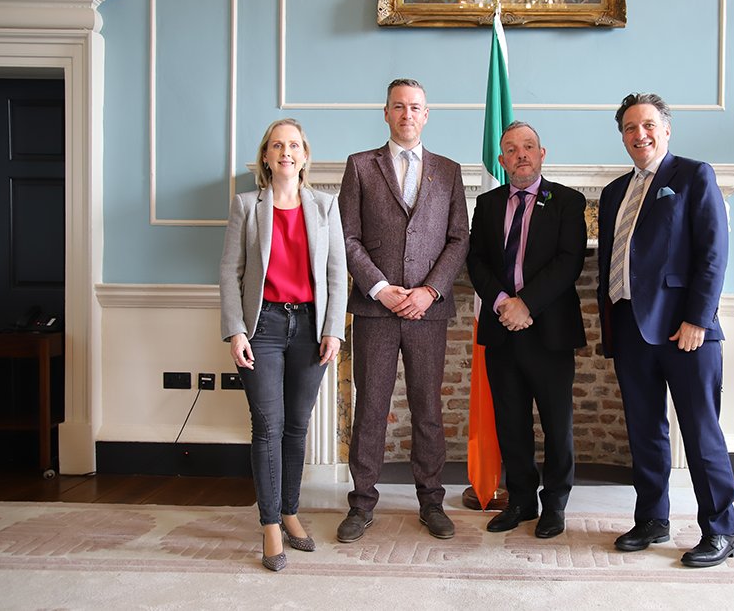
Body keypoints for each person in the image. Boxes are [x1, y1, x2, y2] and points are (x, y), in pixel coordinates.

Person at [597, 93, 734, 567]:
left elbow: (713, 253)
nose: (640, 134)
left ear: (666, 128)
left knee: (701, 434)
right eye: (630, 128)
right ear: (622, 136)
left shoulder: (694, 175)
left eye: (648, 125)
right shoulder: (616, 191)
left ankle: (721, 530)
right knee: (645, 431)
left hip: (686, 331)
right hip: (630, 326)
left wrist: (698, 318)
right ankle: (652, 519)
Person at [337, 78, 470, 543]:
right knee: (371, 408)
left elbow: (458, 239)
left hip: (427, 312)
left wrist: (429, 291)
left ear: (427, 114)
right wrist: (379, 288)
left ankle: (432, 502)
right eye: (399, 106)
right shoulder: (359, 167)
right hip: (376, 310)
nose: (407, 114)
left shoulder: (448, 171)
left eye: (416, 107)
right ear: (386, 113)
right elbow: (347, 238)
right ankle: (361, 504)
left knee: (427, 409)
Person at [219, 118, 348, 572]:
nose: (286, 152)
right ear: (266, 157)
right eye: (277, 145)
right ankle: (270, 523)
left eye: (293, 145)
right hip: (264, 328)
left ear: (305, 155)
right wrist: (236, 331)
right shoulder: (246, 206)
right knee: (267, 426)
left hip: (310, 328)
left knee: (297, 425)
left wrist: (334, 330)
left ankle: (291, 511)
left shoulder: (325, 206)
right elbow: (230, 273)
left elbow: (336, 273)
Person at [466, 121, 586, 539]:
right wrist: (503, 303)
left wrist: (526, 303)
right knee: (511, 422)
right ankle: (520, 500)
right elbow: (476, 261)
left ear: (542, 154)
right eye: (512, 149)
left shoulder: (568, 201)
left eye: (529, 147)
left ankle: (555, 504)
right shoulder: (487, 204)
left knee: (557, 424)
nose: (521, 154)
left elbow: (569, 262)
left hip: (548, 329)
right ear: (501, 160)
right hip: (502, 329)